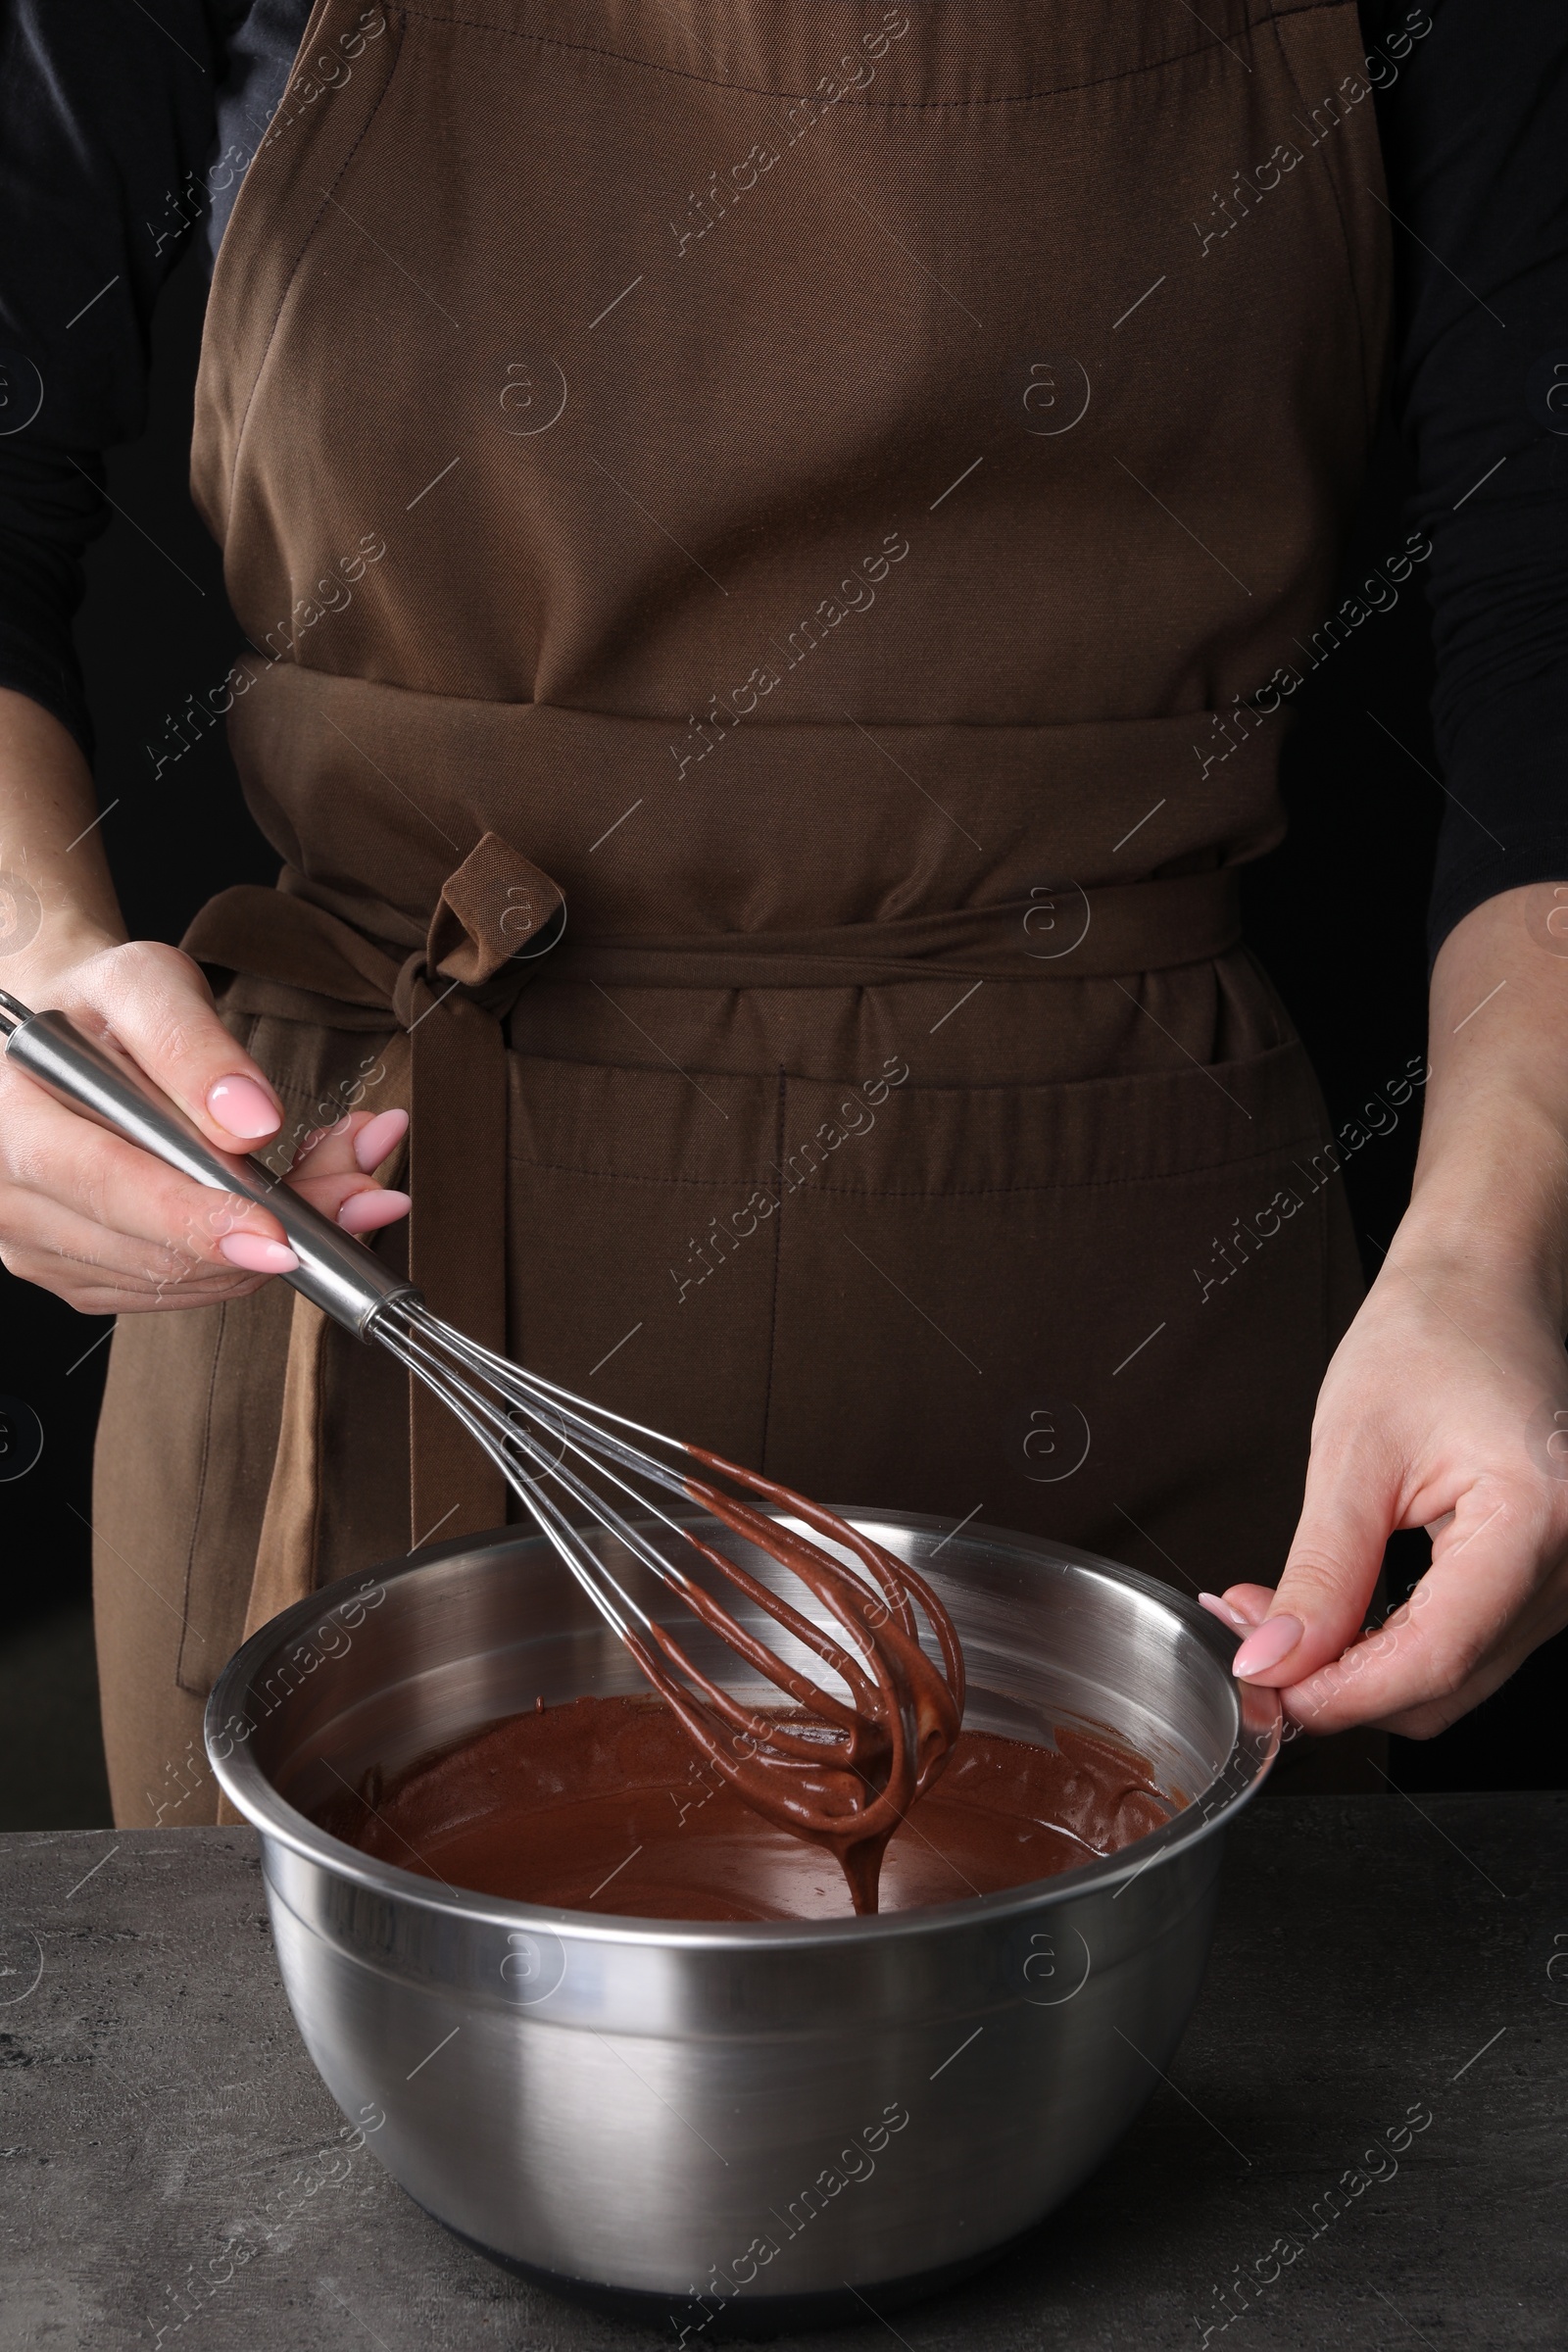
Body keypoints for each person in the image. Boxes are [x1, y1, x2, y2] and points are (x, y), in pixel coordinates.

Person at [0, 0, 1564, 1827]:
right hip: (368, 1254)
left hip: (1134, 1294)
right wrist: (27, 972)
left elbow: (1544, 594)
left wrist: (1494, 1257)